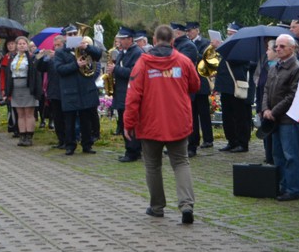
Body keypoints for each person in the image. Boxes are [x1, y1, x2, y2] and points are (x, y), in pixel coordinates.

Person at [124, 25, 200, 224]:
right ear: (173, 41)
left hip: (151, 123)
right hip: (178, 121)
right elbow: (195, 85)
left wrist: (128, 123)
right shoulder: (183, 61)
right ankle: (186, 205)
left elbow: (133, 96)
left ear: (154, 40)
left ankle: (157, 207)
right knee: (181, 162)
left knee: (153, 165)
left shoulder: (143, 63)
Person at [263, 34, 299, 201]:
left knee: (290, 155)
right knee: (277, 154)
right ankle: (281, 185)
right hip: (274, 118)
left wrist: (273, 111)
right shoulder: (274, 67)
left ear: (292, 48)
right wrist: (265, 109)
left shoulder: (296, 68)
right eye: (276, 46)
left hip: (287, 119)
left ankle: (293, 189)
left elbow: (292, 96)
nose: (277, 49)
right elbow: (266, 89)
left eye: (282, 46)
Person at [55, 29, 102, 155]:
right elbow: (59, 69)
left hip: (85, 89)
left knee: (86, 119)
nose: (73, 36)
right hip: (70, 90)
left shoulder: (85, 49)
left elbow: (98, 55)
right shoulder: (60, 52)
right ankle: (70, 145)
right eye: (70, 34)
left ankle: (87, 145)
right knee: (69, 120)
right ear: (65, 37)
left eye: (75, 34)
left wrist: (87, 47)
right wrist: (76, 65)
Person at [214, 31, 255, 154]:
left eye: (232, 33)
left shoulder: (244, 47)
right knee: (227, 116)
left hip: (236, 85)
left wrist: (221, 48)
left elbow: (238, 61)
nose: (229, 35)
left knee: (239, 116)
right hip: (225, 86)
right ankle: (231, 141)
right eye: (228, 33)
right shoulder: (229, 46)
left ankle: (242, 143)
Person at [108, 27, 141, 162]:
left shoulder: (137, 53)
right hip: (121, 92)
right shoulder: (122, 52)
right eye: (119, 39)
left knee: (130, 123)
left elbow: (134, 73)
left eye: (122, 39)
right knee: (123, 122)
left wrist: (116, 69)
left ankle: (132, 152)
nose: (119, 41)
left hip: (129, 93)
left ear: (129, 39)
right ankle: (131, 149)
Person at [2, 36, 42, 146]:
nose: (21, 45)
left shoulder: (32, 57)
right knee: (20, 114)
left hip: (28, 88)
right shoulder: (13, 58)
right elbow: (8, 74)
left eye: (24, 43)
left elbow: (36, 72)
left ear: (27, 45)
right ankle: (22, 136)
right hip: (16, 87)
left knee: (28, 113)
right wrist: (7, 91)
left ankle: (29, 136)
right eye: (19, 44)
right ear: (16, 45)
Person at [170, 24, 200, 156]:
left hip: (185, 88)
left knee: (190, 118)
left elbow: (181, 66)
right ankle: (177, 144)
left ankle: (191, 146)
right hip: (175, 88)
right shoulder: (175, 45)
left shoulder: (188, 46)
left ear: (177, 33)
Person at [186, 22, 214, 151]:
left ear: (197, 30)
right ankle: (194, 139)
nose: (189, 33)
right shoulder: (187, 43)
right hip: (190, 83)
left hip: (202, 82)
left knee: (204, 113)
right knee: (192, 113)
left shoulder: (205, 43)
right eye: (187, 31)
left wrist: (195, 53)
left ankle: (208, 139)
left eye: (191, 30)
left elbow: (208, 60)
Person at [36, 36, 66, 148]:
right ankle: (60, 140)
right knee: (57, 117)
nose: (56, 47)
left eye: (59, 45)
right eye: (55, 45)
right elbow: (40, 68)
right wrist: (42, 57)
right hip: (53, 91)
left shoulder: (67, 56)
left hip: (65, 91)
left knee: (65, 117)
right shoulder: (51, 58)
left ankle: (67, 140)